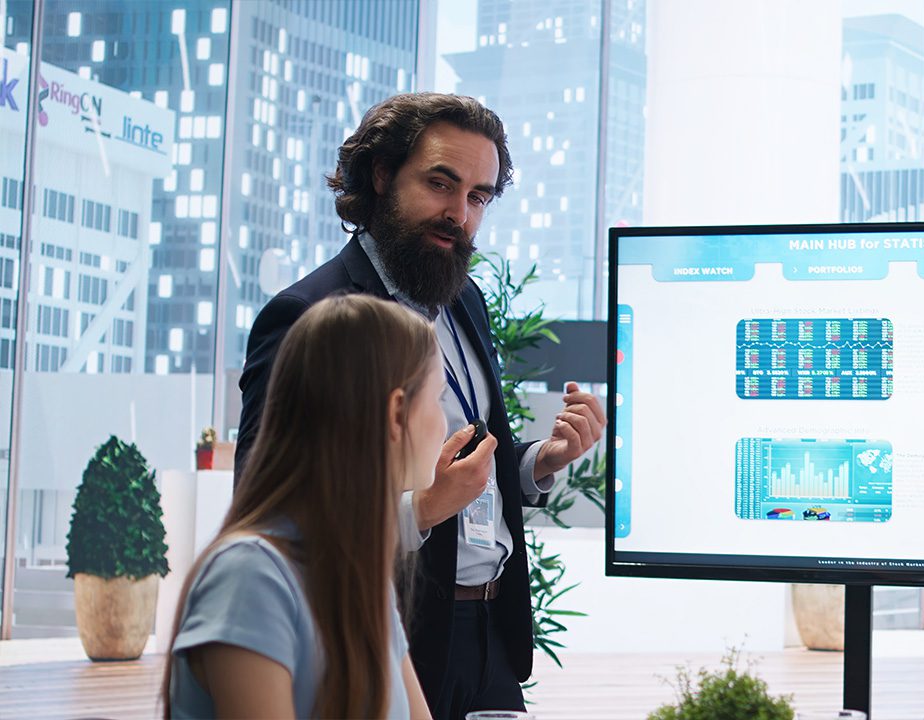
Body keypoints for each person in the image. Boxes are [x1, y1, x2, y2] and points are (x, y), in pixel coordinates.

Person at [234, 93, 605, 719]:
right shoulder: (310, 317)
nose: (459, 213)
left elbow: (464, 452)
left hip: (492, 634)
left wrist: (540, 461)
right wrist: (421, 510)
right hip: (386, 637)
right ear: (381, 175)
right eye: (441, 183)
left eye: (479, 197)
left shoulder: (466, 301)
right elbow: (264, 504)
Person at [165, 295, 445, 718]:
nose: (446, 422)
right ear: (397, 413)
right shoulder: (251, 578)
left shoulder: (356, 573)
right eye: (438, 399)